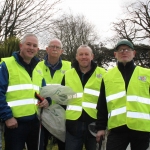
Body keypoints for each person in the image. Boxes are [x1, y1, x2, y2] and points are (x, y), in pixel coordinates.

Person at [96, 39, 150, 150]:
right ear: (115, 54)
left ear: (134, 53)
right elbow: (102, 104)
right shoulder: (107, 76)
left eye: (127, 49)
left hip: (141, 129)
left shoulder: (147, 74)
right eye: (120, 50)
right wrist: (100, 128)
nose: (124, 52)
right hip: (117, 129)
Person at [0, 33, 50, 150]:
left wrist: (47, 100)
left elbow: (43, 91)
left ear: (37, 49)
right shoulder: (6, 65)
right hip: (15, 123)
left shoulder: (38, 68)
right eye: (28, 44)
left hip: (36, 122)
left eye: (34, 46)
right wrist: (7, 117)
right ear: (21, 45)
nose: (31, 48)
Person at [61, 45, 106, 150]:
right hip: (73, 125)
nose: (84, 57)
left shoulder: (103, 74)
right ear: (76, 57)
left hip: (95, 124)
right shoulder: (68, 74)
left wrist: (103, 126)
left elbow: (106, 101)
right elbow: (62, 99)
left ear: (92, 56)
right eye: (81, 54)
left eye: (86, 54)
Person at [38, 38, 71, 150]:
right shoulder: (37, 66)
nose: (55, 49)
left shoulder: (70, 67)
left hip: (62, 112)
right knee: (41, 144)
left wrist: (53, 99)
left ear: (62, 51)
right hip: (42, 110)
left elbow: (72, 91)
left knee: (63, 144)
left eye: (58, 47)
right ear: (47, 49)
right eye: (52, 46)